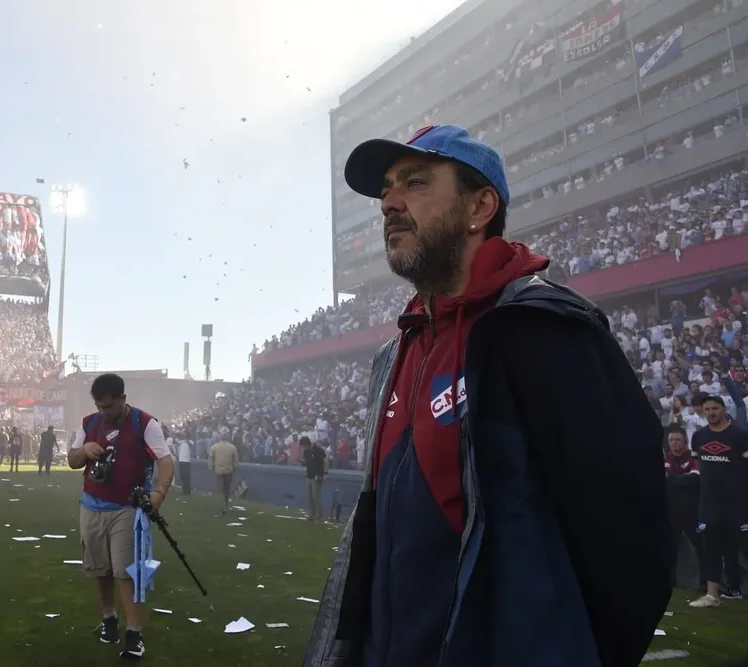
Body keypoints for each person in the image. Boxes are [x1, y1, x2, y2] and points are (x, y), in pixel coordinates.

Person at [304, 125, 670, 667]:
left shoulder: (543, 332)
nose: (389, 204)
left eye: (416, 183)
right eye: (386, 189)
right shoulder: (394, 354)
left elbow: (631, 543)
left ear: (480, 206)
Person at [67, 373, 174, 660]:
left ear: (123, 400)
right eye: (100, 407)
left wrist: (159, 494)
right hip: (91, 506)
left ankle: (134, 634)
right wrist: (85, 450)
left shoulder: (144, 422)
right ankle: (109, 620)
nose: (104, 412)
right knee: (98, 570)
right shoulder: (89, 423)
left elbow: (165, 460)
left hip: (127, 508)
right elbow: (72, 460)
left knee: (127, 572)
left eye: (109, 407)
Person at [688, 395, 748, 607]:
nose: (711, 412)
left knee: (744, 545)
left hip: (738, 502)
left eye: (715, 408)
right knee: (711, 547)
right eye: (707, 409)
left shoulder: (740, 435)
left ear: (723, 409)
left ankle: (735, 590)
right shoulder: (698, 437)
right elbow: (700, 465)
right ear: (702, 412)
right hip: (710, 502)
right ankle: (712, 595)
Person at [664, 425, 705, 589]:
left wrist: (670, 478)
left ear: (685, 442)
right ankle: (670, 583)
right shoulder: (665, 458)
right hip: (671, 512)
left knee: (701, 547)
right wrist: (680, 480)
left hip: (692, 512)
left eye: (677, 440)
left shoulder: (694, 459)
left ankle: (706, 582)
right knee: (670, 549)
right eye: (671, 440)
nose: (674, 443)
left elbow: (694, 480)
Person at [208, 432, 238, 514]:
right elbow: (235, 460)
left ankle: (222, 506)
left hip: (218, 470)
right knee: (227, 488)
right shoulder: (232, 447)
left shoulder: (214, 447)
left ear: (219, 438)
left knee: (220, 489)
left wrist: (211, 467)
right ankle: (226, 503)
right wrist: (234, 467)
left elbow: (211, 458)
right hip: (229, 470)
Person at [300, 436, 328, 522]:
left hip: (317, 475)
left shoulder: (318, 450)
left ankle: (319, 515)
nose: (304, 448)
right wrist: (302, 462)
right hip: (309, 475)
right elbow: (307, 463)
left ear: (307, 444)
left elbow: (325, 460)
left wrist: (325, 472)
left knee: (316, 497)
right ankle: (312, 514)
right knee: (310, 497)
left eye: (304, 445)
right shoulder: (306, 452)